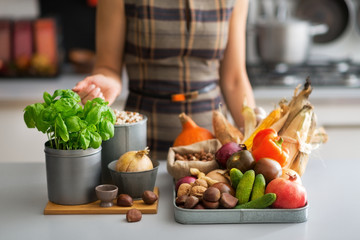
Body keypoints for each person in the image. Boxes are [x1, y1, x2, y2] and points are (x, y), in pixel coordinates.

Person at [73, 0, 256, 160]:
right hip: (142, 144)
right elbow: (108, 67)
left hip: (213, 147)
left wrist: (256, 136)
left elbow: (234, 79)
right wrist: (106, 83)